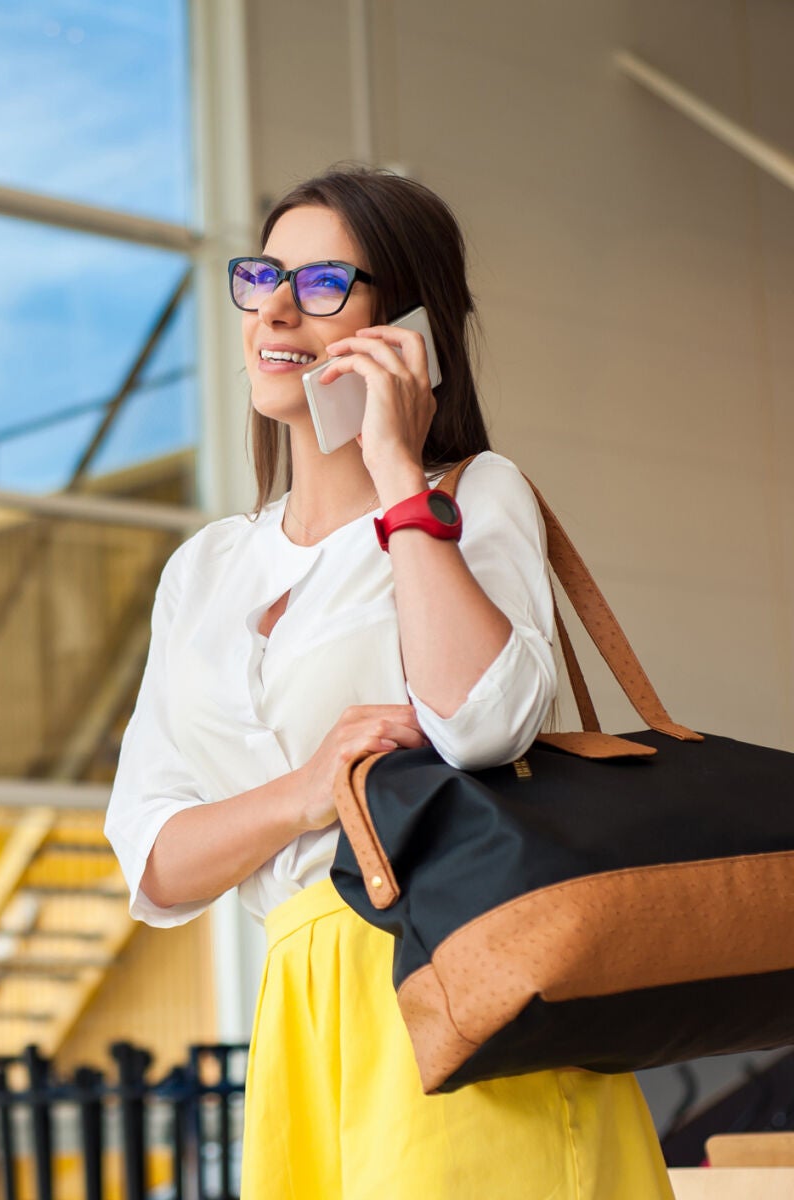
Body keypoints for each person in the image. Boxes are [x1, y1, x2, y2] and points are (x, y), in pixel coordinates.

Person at [104, 166, 674, 1199]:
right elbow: (151, 860)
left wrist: (399, 475)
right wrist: (309, 787)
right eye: (263, 275)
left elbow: (483, 720)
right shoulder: (205, 569)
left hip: (456, 977)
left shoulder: (471, 495)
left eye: (324, 282)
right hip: (300, 1009)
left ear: (406, 320)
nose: (277, 307)